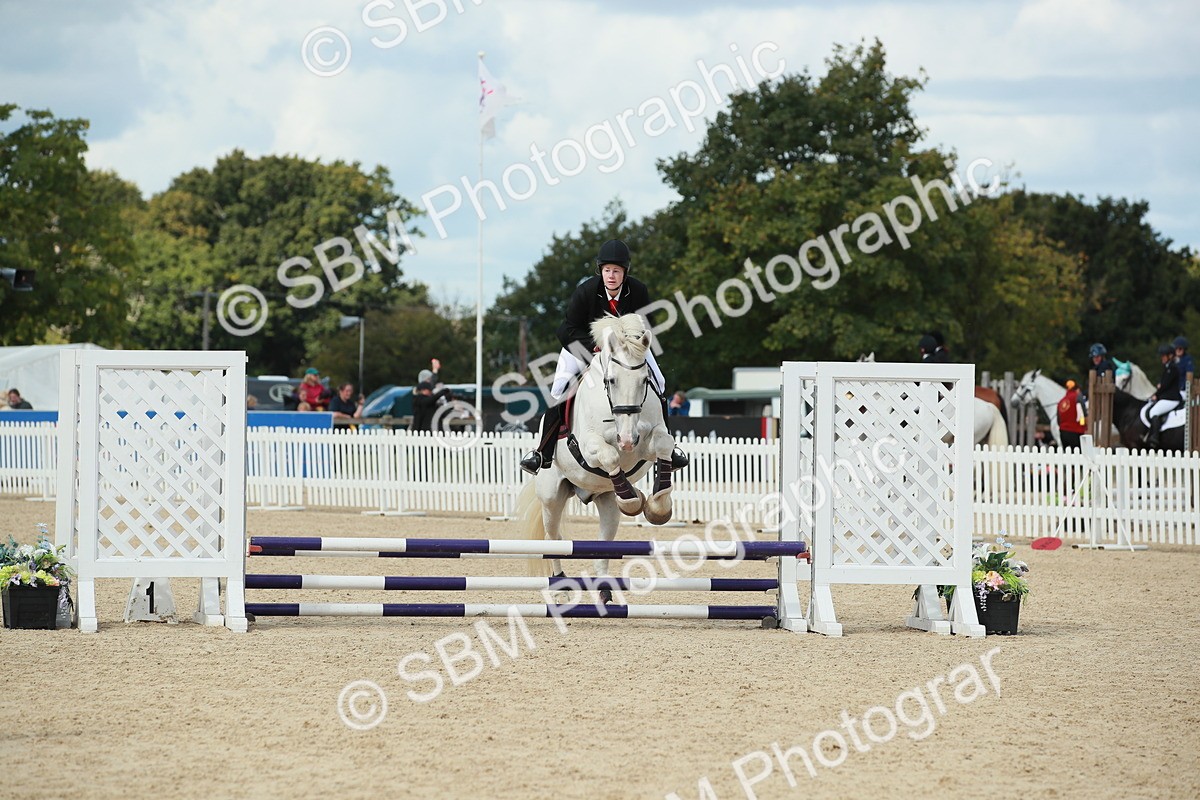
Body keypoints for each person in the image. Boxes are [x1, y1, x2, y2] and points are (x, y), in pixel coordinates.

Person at [520, 239, 686, 475]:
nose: (611, 276)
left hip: (628, 351)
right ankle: (541, 453)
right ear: (601, 271)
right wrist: (595, 347)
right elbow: (566, 330)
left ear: (624, 272)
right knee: (559, 390)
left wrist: (632, 343)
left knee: (660, 382)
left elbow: (650, 324)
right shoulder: (586, 290)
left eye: (616, 271)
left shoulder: (638, 290)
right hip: (583, 347)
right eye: (607, 270)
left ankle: (670, 447)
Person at [1143, 343, 1183, 448]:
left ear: (1170, 356)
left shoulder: (1172, 368)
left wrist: (1156, 395)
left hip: (1172, 399)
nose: (1162, 358)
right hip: (1167, 397)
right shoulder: (1168, 367)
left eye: (1164, 355)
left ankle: (1154, 438)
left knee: (1153, 412)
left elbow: (1164, 385)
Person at [1056, 379, 1087, 449]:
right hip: (1076, 431)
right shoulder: (1078, 397)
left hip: (1063, 432)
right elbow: (1082, 414)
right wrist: (1083, 426)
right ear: (1077, 389)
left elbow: (1058, 420)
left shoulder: (1061, 401)